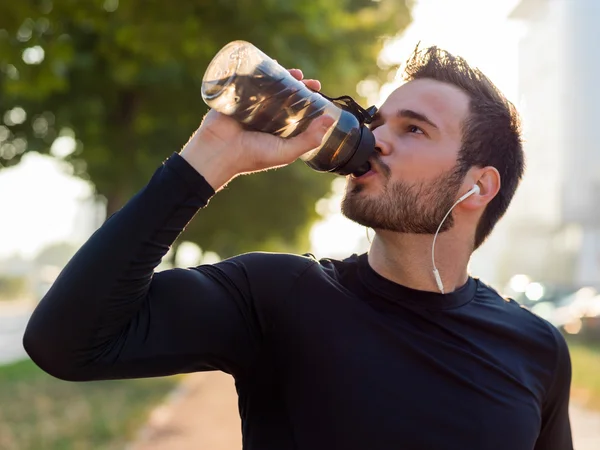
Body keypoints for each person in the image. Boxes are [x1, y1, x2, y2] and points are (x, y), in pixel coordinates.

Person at [23, 46, 573, 450]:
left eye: (414, 130)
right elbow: (65, 344)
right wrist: (211, 155)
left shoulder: (536, 350)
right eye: (377, 121)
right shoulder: (278, 296)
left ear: (478, 186)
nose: (376, 138)